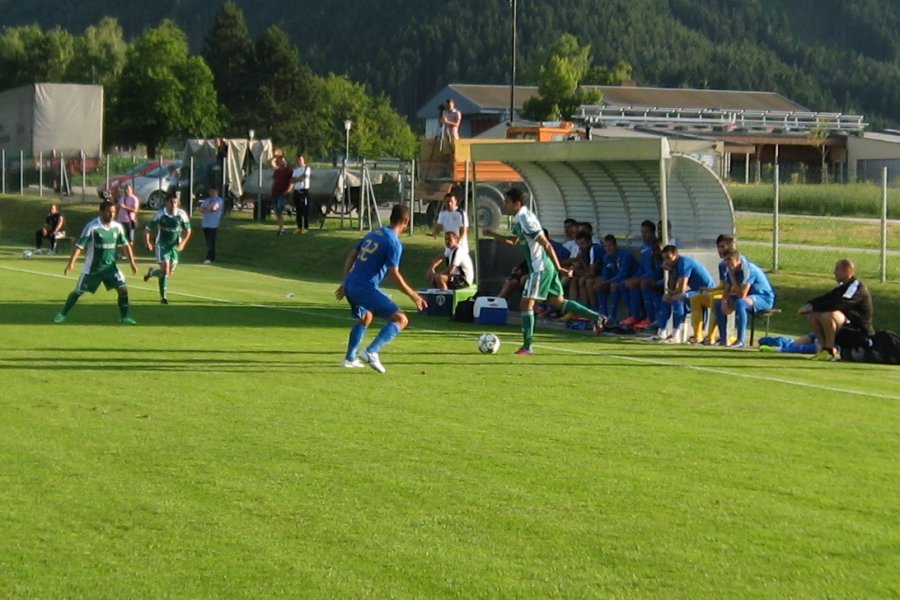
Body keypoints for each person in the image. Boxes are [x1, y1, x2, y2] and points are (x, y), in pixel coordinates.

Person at [483, 188, 606, 355]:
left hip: (540, 268)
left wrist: (559, 267)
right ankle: (596, 317)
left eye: (507, 202)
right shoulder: (519, 218)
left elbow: (546, 244)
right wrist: (494, 235)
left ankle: (527, 346)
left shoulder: (527, 219)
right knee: (559, 302)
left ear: (517, 203)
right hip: (542, 266)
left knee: (526, 304)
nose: (505, 205)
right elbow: (514, 241)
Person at [336, 204, 427, 373]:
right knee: (401, 319)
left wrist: (345, 281)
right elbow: (394, 275)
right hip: (365, 288)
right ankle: (371, 351)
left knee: (366, 316)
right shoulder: (393, 242)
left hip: (352, 284)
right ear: (406, 222)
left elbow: (352, 254)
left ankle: (349, 359)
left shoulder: (374, 233)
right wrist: (414, 295)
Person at [53, 199, 138, 324]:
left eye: (114, 212)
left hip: (110, 268)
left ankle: (124, 317)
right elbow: (79, 246)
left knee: (123, 289)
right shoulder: (92, 227)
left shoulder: (117, 227)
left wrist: (132, 263)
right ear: (101, 212)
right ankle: (62, 314)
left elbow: (126, 245)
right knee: (78, 292)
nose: (112, 214)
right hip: (93, 269)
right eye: (109, 212)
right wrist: (71, 263)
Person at [798, 258, 874, 362]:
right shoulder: (842, 287)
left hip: (859, 331)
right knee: (814, 315)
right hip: (845, 328)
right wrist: (810, 304)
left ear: (847, 271)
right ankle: (823, 350)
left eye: (837, 269)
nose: (834, 272)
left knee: (830, 314)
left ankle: (830, 351)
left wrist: (815, 307)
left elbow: (840, 304)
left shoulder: (856, 287)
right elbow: (827, 297)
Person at [713, 249, 776, 348]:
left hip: (763, 298)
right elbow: (727, 289)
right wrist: (725, 300)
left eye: (730, 260)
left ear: (738, 260)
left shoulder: (748, 269)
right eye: (726, 260)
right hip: (747, 297)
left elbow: (742, 294)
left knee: (740, 303)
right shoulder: (729, 269)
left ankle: (740, 341)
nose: (728, 263)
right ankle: (723, 340)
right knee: (718, 304)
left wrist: (732, 276)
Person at [656, 245, 716, 342]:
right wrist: (670, 271)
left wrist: (674, 294)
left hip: (706, 291)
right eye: (664, 259)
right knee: (666, 297)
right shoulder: (675, 266)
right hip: (695, 291)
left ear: (676, 255)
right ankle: (662, 332)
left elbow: (682, 289)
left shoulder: (684, 263)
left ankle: (676, 334)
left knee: (677, 298)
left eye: (669, 258)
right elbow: (671, 287)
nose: (667, 261)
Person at [143, 192, 192, 304]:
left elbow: (188, 230)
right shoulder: (160, 214)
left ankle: (151, 273)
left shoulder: (181, 214)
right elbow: (147, 229)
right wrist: (148, 242)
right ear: (166, 203)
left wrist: (183, 243)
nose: (173, 204)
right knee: (165, 270)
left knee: (168, 273)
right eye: (171, 202)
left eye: (175, 202)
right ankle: (163, 297)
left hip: (174, 247)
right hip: (162, 245)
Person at [690, 234, 735, 344]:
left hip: (733, 295)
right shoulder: (721, 265)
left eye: (723, 247)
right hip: (724, 292)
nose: (720, 250)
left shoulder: (736, 261)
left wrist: (713, 293)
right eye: (718, 247)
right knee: (696, 298)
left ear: (730, 247)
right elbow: (722, 286)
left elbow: (732, 287)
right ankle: (698, 336)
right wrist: (709, 290)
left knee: (714, 298)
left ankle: (711, 337)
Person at [623, 220, 661, 328]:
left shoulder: (656, 246)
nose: (644, 235)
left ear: (654, 233)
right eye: (642, 232)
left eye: (647, 232)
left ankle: (650, 318)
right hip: (646, 275)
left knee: (643, 283)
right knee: (624, 284)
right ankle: (635, 315)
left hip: (655, 277)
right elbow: (643, 266)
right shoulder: (644, 246)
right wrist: (634, 277)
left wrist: (639, 279)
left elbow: (655, 269)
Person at [591, 234, 637, 322]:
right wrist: (603, 282)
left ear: (616, 246)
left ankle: (613, 316)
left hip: (630, 278)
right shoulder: (606, 258)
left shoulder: (625, 256)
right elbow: (606, 274)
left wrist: (607, 282)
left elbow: (623, 274)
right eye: (605, 246)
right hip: (615, 280)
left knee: (614, 285)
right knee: (598, 286)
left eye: (610, 246)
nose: (608, 248)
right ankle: (603, 314)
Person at [199, 187, 224, 264]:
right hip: (205, 224)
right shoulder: (207, 200)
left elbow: (214, 208)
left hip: (213, 224)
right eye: (210, 191)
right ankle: (211, 257)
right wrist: (207, 209)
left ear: (217, 192)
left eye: (213, 191)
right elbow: (200, 209)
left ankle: (210, 258)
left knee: (211, 242)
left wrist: (206, 209)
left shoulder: (218, 200)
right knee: (207, 242)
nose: (211, 193)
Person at [271, 155, 294, 235]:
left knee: (280, 206)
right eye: (280, 161)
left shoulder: (289, 171)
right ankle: (281, 229)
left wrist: (288, 191)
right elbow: (275, 181)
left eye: (283, 161)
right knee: (278, 212)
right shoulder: (277, 171)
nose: (282, 162)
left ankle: (288, 207)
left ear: (286, 162)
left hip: (283, 192)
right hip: (275, 193)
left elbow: (292, 182)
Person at [291, 154, 312, 233]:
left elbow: (303, 177)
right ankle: (299, 227)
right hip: (296, 191)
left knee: (305, 210)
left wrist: (298, 178)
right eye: (298, 160)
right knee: (298, 210)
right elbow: (292, 180)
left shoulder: (307, 168)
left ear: (304, 160)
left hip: (304, 191)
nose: (299, 161)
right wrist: (298, 179)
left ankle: (306, 227)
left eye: (301, 160)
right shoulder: (295, 170)